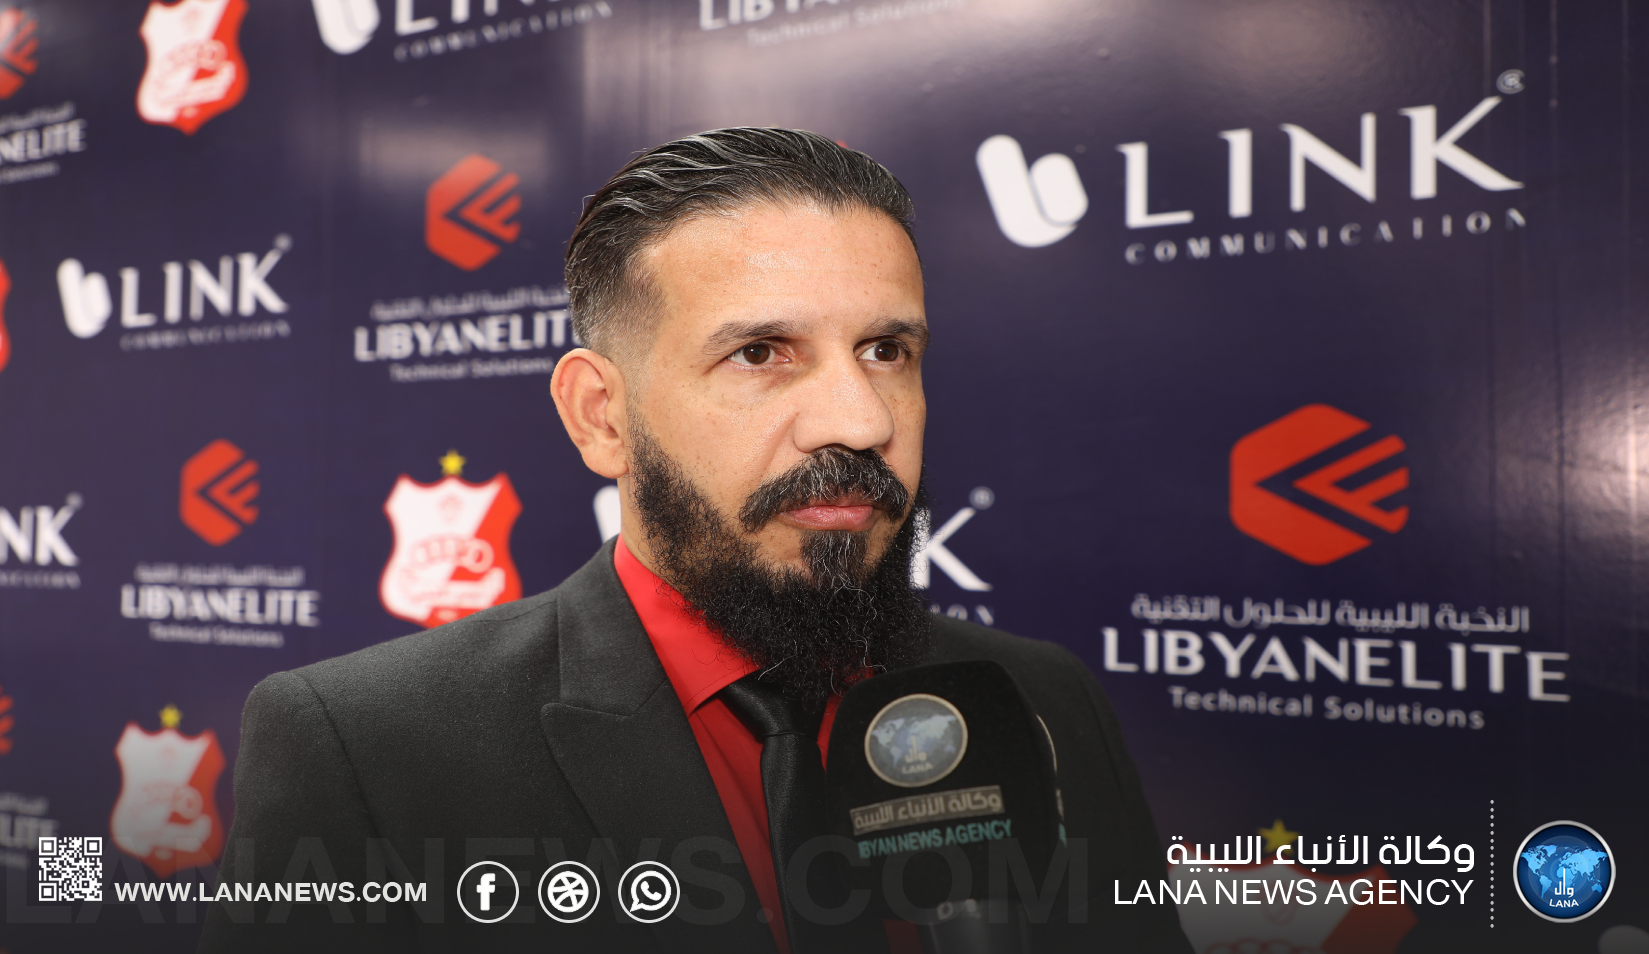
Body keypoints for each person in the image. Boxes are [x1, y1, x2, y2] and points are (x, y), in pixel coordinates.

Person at [200, 128, 1190, 953]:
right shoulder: (365, 749)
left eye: (886, 350)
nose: (859, 421)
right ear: (601, 417)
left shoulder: (1041, 698)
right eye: (760, 353)